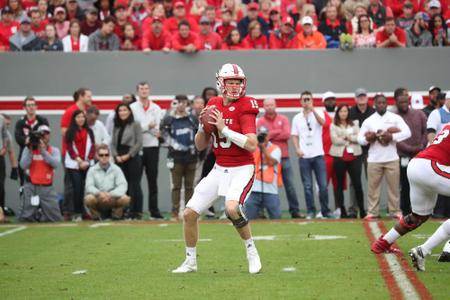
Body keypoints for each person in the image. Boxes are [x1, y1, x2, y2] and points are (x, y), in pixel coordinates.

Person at [172, 63, 261, 274]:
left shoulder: (247, 105)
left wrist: (224, 129)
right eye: (230, 81)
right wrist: (203, 128)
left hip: (242, 168)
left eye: (238, 81)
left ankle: (251, 251)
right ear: (220, 82)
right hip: (219, 168)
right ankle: (190, 262)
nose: (234, 85)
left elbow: (252, 144)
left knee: (232, 209)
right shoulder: (213, 103)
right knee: (189, 213)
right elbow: (200, 145)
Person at [371, 123, 450, 270]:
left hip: (417, 165)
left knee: (419, 216)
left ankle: (383, 243)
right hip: (430, 167)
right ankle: (428, 249)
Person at [357, 94, 411, 220]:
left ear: (387, 104)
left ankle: (395, 211)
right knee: (373, 187)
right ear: (374, 105)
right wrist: (368, 138)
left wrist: (392, 137)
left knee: (394, 187)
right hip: (374, 159)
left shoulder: (394, 118)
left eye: (383, 102)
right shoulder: (369, 120)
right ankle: (372, 211)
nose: (381, 105)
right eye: (378, 103)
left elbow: (408, 132)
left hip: (391, 157)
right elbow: (359, 139)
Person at [257, 98, 302, 219]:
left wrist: (270, 134)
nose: (269, 107)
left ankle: (295, 211)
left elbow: (287, 134)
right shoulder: (260, 121)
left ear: (275, 105)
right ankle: (261, 211)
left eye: (271, 105)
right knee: (262, 183)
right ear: (264, 106)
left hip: (284, 157)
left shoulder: (284, 119)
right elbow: (260, 137)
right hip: (267, 158)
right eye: (267, 105)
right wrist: (277, 132)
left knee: (290, 185)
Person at [291, 91, 330, 219]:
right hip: (304, 156)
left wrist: (312, 109)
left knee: (323, 185)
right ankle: (310, 211)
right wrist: (297, 148)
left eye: (308, 99)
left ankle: (325, 211)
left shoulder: (318, 112)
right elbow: (294, 135)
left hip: (318, 154)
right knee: (307, 186)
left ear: (312, 100)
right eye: (304, 99)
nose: (306, 101)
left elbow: (323, 123)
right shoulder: (297, 117)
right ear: (300, 101)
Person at [161, 95, 198, 221]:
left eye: (184, 102)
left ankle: (189, 212)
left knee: (189, 186)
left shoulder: (193, 118)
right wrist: (176, 145)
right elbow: (164, 135)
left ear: (187, 104)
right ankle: (175, 213)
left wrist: (194, 147)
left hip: (191, 157)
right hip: (175, 157)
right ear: (175, 103)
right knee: (176, 186)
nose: (181, 105)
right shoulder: (168, 119)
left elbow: (199, 134)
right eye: (179, 102)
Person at [130, 81, 163, 219]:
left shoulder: (156, 107)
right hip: (137, 147)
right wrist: (146, 127)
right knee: (135, 180)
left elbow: (157, 128)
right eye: (141, 88)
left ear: (149, 90)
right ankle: (135, 210)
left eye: (146, 88)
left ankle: (154, 210)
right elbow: (133, 128)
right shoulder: (132, 107)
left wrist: (147, 128)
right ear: (137, 91)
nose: (144, 91)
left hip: (152, 147)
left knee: (152, 180)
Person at [18, 125, 63, 222]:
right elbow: (23, 165)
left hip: (47, 188)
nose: (44, 136)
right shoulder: (28, 149)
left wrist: (42, 151)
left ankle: (42, 216)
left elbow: (55, 164)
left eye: (46, 134)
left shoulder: (54, 150)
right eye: (41, 134)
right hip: (31, 186)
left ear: (49, 136)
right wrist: (30, 150)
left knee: (56, 218)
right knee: (25, 217)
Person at [394, 88, 427, 215]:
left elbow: (426, 130)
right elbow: (396, 138)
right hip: (403, 155)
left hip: (419, 154)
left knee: (420, 183)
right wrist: (410, 149)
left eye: (405, 102)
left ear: (408, 102)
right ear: (396, 103)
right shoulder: (395, 117)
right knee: (405, 184)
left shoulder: (419, 114)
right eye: (400, 103)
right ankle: (405, 209)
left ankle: (421, 209)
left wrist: (422, 145)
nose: (403, 105)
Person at [60, 88, 92, 221]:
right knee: (71, 185)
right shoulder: (70, 111)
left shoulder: (85, 112)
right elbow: (64, 132)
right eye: (88, 96)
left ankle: (80, 210)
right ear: (80, 96)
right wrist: (76, 154)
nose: (91, 99)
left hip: (84, 157)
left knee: (82, 185)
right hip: (70, 155)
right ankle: (68, 211)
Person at [330, 104, 365, 219]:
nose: (343, 113)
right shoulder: (333, 125)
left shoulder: (355, 123)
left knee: (357, 184)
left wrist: (346, 137)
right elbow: (334, 140)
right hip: (339, 157)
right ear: (338, 113)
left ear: (348, 112)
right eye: (341, 111)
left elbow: (358, 137)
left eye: (345, 111)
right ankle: (343, 211)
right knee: (339, 185)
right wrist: (350, 137)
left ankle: (362, 210)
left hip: (354, 156)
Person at [111, 103, 143, 220]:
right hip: (118, 158)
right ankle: (123, 211)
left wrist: (128, 155)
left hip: (132, 157)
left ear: (129, 112)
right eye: (120, 111)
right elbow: (113, 143)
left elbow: (139, 143)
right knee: (122, 185)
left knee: (134, 185)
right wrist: (115, 156)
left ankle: (136, 211)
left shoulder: (135, 124)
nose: (122, 113)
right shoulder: (116, 125)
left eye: (124, 110)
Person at [64, 110, 96, 221]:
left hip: (87, 163)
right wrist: (79, 161)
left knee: (86, 188)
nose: (81, 119)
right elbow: (70, 149)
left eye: (83, 117)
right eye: (78, 117)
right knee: (77, 188)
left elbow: (92, 147)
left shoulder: (89, 131)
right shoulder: (70, 132)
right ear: (74, 119)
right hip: (74, 164)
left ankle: (86, 212)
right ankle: (76, 213)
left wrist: (87, 161)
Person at [84, 144, 130, 220]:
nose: (104, 157)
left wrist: (110, 194)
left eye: (106, 155)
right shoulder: (92, 170)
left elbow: (123, 185)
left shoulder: (116, 169)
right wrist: (99, 193)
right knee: (88, 199)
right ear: (97, 156)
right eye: (101, 155)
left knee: (125, 199)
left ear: (109, 156)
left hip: (112, 198)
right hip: (98, 198)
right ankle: (96, 216)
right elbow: (89, 186)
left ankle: (116, 215)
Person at [245, 126, 282, 220]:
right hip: (253, 190)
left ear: (268, 136)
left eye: (264, 135)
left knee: (276, 218)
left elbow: (271, 162)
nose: (262, 138)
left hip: (270, 190)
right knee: (249, 219)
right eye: (260, 136)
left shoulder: (275, 148)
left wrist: (263, 148)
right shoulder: (252, 149)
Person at [14, 96, 49, 186]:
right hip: (25, 153)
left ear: (36, 107)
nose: (31, 107)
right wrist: (28, 139)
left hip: (39, 155)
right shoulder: (20, 122)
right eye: (28, 105)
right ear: (24, 108)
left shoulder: (42, 120)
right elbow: (18, 138)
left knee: (39, 183)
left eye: (33, 105)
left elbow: (47, 136)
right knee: (24, 184)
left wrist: (39, 139)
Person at [426, 92, 450, 218]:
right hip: (438, 154)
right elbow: (430, 132)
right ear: (447, 100)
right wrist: (435, 148)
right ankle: (438, 211)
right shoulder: (437, 113)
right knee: (439, 182)